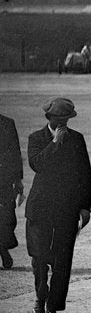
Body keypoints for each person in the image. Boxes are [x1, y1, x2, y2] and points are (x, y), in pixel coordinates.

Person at [25, 97, 91, 313]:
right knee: (39, 258)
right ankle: (40, 298)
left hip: (67, 209)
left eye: (66, 120)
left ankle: (53, 308)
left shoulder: (77, 139)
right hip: (40, 209)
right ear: (49, 119)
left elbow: (85, 175)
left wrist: (85, 207)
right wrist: (54, 143)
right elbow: (38, 165)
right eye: (58, 119)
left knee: (62, 261)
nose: (63, 123)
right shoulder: (36, 139)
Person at [0, 102, 24, 269]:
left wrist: (18, 179)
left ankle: (2, 246)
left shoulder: (8, 123)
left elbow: (15, 152)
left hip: (5, 178)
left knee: (8, 216)